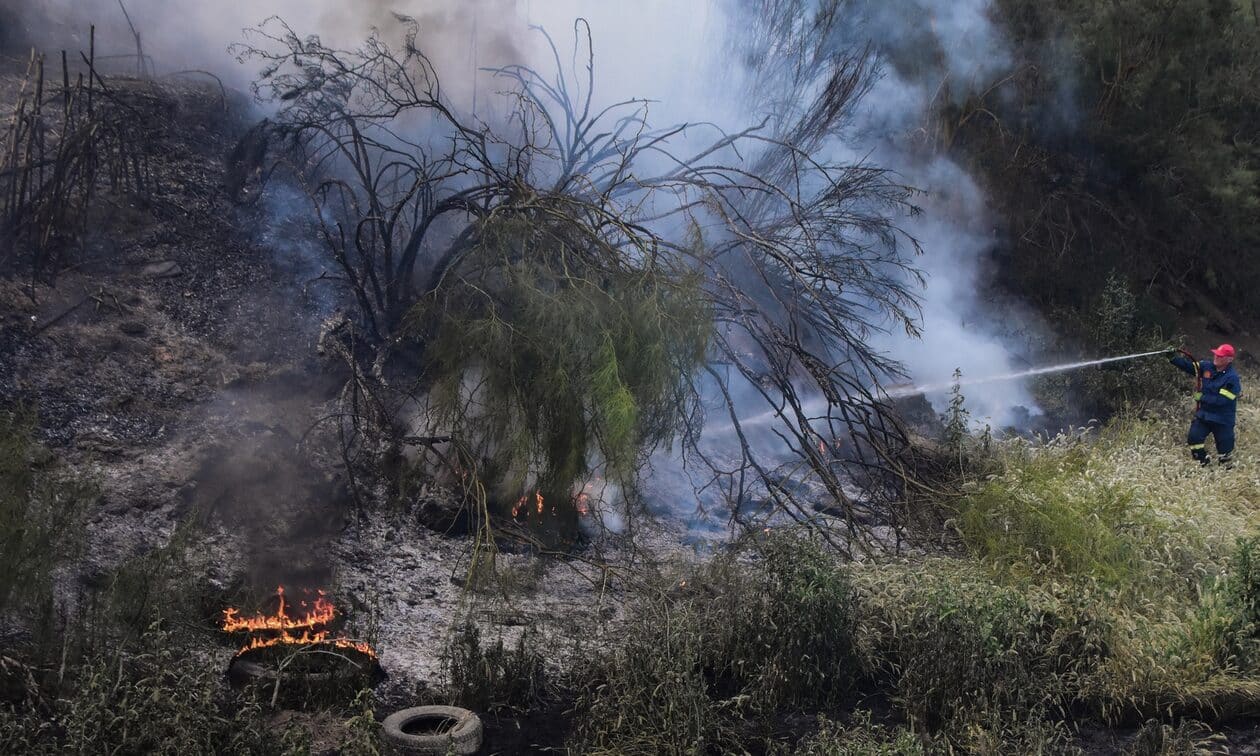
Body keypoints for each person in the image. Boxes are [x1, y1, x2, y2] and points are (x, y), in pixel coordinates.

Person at [1168, 344, 1242, 466]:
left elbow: (1223, 401)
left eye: (1220, 356)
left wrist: (1202, 397)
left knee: (1225, 454)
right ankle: (1203, 463)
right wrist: (1173, 358)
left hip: (1223, 419)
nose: (1216, 357)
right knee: (1194, 439)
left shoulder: (1232, 378)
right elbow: (1189, 366)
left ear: (1229, 359)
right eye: (1216, 354)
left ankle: (1225, 471)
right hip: (1204, 416)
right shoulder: (1206, 366)